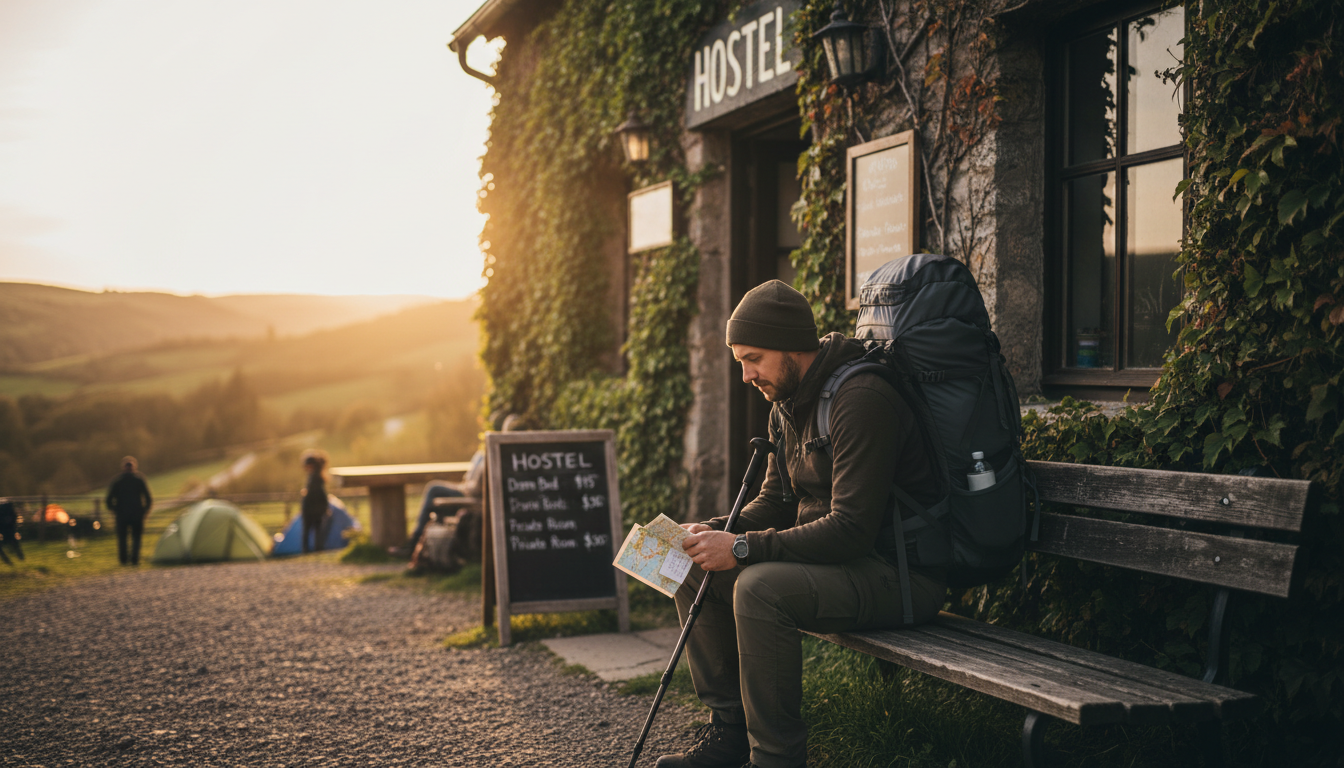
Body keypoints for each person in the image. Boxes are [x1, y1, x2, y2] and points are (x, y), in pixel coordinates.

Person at [658, 280, 945, 768]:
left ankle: (775, 758)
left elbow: (851, 527)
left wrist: (743, 548)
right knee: (691, 565)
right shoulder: (786, 403)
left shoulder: (861, 399)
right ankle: (730, 733)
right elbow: (775, 502)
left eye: (754, 359)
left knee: (759, 588)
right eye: (740, 362)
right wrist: (707, 532)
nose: (746, 375)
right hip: (840, 566)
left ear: (792, 346)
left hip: (899, 573)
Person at [105, 457, 153, 566]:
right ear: (134, 467)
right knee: (136, 538)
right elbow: (148, 498)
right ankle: (135, 560)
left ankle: (123, 560)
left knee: (122, 539)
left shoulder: (117, 481)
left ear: (123, 468)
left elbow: (108, 500)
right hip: (137, 514)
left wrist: (114, 510)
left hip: (121, 515)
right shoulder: (139, 479)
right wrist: (145, 511)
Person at [300, 450, 330, 553]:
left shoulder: (315, 478)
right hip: (315, 509)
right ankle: (314, 549)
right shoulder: (316, 477)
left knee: (309, 530)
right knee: (316, 530)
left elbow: (319, 494)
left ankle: (309, 550)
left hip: (312, 509)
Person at [0, 497, 23, 565]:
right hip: (10, 528)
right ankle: (20, 557)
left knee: (12, 542)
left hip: (5, 528)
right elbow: (14, 517)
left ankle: (7, 560)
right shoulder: (9, 508)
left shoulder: (5, 509)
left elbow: (14, 517)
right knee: (14, 542)